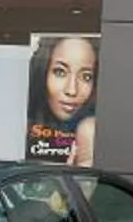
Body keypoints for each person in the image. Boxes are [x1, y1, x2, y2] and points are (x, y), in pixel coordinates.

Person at [26, 34, 98, 165]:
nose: (72, 90)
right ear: (42, 73)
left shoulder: (93, 129)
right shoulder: (18, 125)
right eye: (60, 72)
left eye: (86, 77)